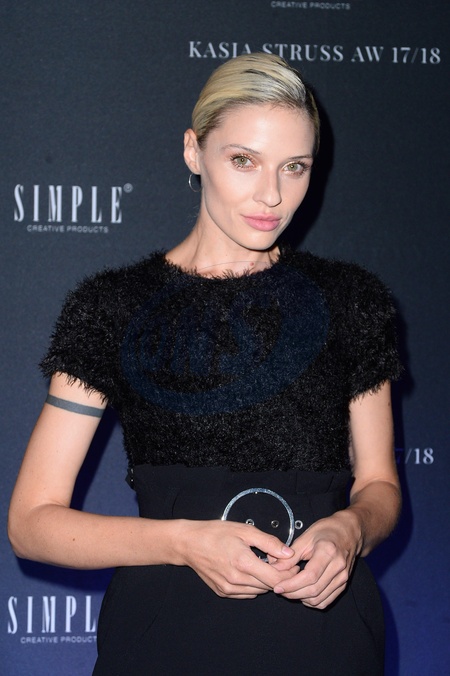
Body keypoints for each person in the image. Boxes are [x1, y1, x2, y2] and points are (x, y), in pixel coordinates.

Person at [8, 53, 402, 675]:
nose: (272, 195)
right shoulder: (113, 307)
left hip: (326, 635)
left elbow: (379, 486)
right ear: (194, 151)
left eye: (294, 167)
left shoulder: (351, 302)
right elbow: (32, 523)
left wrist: (351, 530)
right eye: (243, 160)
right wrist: (183, 541)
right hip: (166, 635)